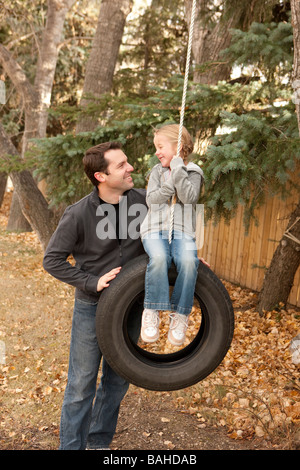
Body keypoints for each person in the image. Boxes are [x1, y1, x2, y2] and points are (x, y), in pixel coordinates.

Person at [43, 141, 146, 450]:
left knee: (117, 382)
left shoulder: (143, 201)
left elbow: (168, 237)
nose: (130, 169)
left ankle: (98, 444)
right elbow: (52, 260)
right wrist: (91, 281)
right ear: (101, 177)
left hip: (131, 307)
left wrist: (190, 259)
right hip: (93, 308)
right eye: (121, 165)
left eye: (127, 162)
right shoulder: (77, 214)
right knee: (81, 384)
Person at [140, 124, 204, 346]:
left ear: (178, 147)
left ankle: (180, 315)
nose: (157, 152)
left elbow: (189, 198)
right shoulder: (157, 172)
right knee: (159, 258)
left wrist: (178, 171)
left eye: (160, 146)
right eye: (155, 147)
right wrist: (170, 183)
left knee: (188, 260)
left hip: (182, 230)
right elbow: (152, 199)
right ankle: (152, 311)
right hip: (154, 229)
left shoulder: (194, 171)